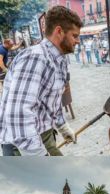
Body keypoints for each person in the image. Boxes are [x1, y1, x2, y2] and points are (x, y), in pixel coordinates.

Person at [0, 5, 80, 156]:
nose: (78, 41)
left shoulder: (60, 59)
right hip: (21, 144)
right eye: (74, 36)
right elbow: (18, 117)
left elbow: (52, 101)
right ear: (59, 32)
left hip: (43, 132)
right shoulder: (36, 57)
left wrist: (62, 127)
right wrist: (40, 157)